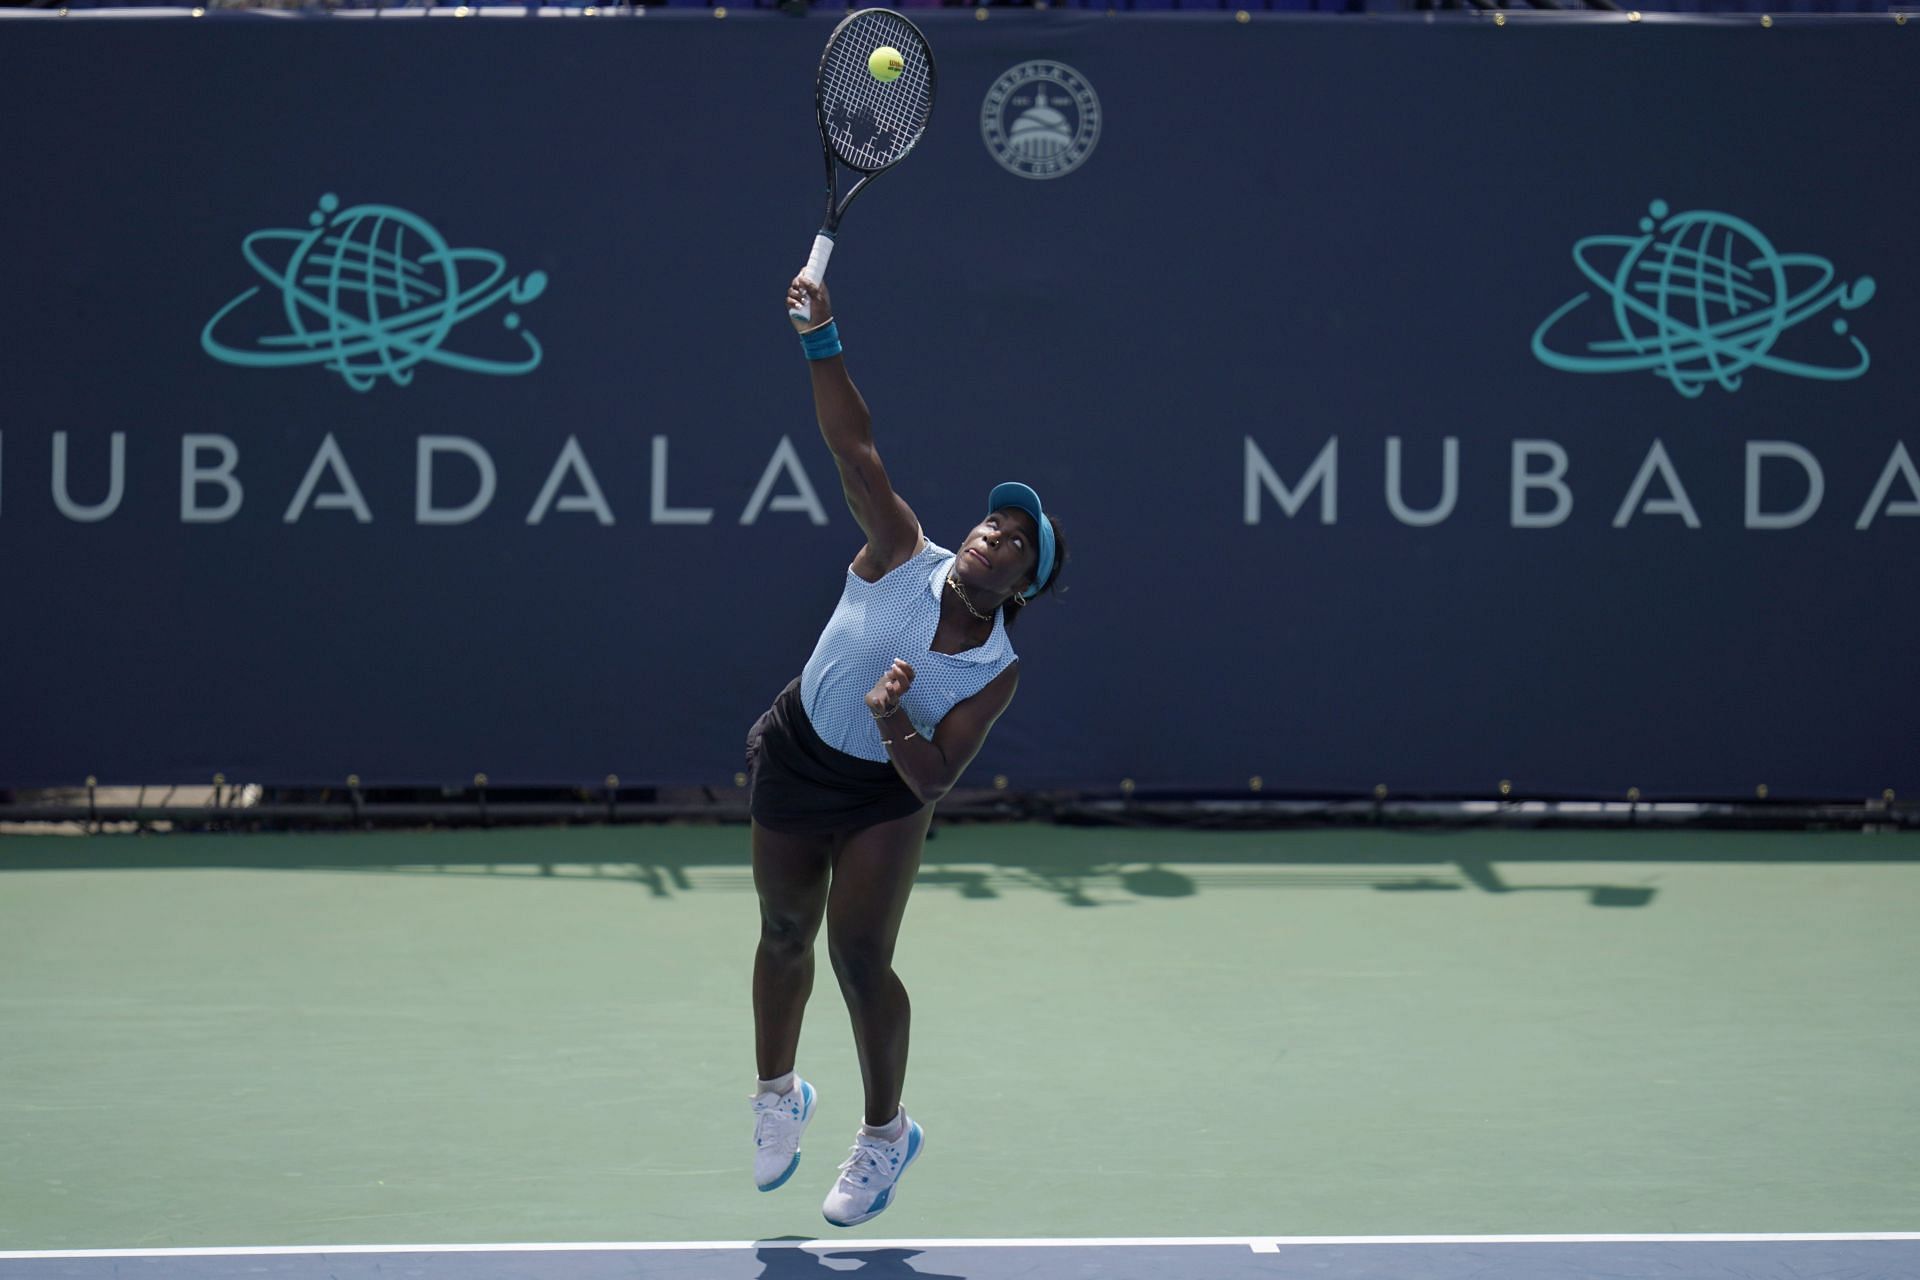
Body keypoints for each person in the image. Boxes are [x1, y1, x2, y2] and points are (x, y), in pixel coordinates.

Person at [745, 273, 1068, 1228]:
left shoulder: (995, 670)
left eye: (1012, 543)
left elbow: (931, 777)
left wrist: (893, 717)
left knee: (857, 959)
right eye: (990, 522)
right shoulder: (899, 547)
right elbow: (853, 447)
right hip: (798, 751)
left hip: (887, 792)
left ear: (1023, 584)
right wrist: (821, 336)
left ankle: (885, 1137)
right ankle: (775, 1096)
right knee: (781, 933)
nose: (989, 535)